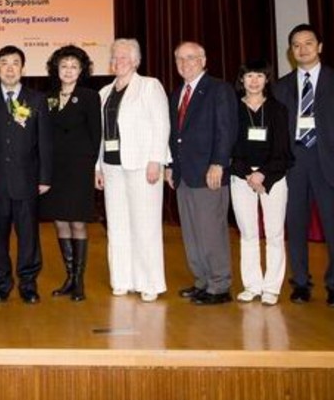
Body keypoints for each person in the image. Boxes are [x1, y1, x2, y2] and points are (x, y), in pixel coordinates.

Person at [274, 24, 334, 308]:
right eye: (296, 45)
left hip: (329, 164)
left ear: (319, 46)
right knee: (296, 228)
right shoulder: (281, 86)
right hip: (295, 164)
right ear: (291, 51)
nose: (302, 49)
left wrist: (330, 146)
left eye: (308, 43)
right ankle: (300, 284)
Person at [0, 45, 52, 304]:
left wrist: (44, 177)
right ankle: (0, 283)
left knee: (29, 236)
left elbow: (45, 142)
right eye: (4, 63)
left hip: (27, 181)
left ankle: (28, 284)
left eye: (15, 63)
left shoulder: (37, 99)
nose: (9, 68)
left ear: (23, 68)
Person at [95, 39, 170, 302]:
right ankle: (122, 279)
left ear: (136, 61)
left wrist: (156, 160)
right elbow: (100, 135)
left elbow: (162, 125)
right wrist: (97, 166)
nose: (118, 61)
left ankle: (149, 282)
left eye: (124, 57)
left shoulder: (150, 86)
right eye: (115, 57)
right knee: (116, 225)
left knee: (145, 225)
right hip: (112, 167)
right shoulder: (104, 92)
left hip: (142, 166)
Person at [165, 41, 237, 305]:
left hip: (209, 173)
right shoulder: (176, 95)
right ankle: (202, 281)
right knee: (192, 232)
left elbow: (226, 130)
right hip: (184, 174)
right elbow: (174, 136)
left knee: (211, 231)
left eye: (191, 58)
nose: (185, 64)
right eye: (179, 59)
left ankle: (220, 285)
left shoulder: (219, 89)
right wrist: (171, 166)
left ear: (204, 61)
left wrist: (219, 163)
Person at [39, 45, 101, 301]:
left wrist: (96, 166)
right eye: (64, 66)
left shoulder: (89, 96)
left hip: (79, 167)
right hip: (55, 168)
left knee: (77, 221)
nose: (68, 70)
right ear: (56, 69)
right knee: (60, 221)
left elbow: (97, 134)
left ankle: (79, 282)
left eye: (74, 66)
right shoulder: (47, 96)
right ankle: (68, 279)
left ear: (81, 70)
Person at [230, 59, 292, 306]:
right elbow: (230, 147)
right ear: (242, 80)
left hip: (273, 177)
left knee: (275, 233)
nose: (254, 81)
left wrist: (263, 174)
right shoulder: (233, 108)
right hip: (241, 176)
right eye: (249, 76)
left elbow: (283, 150)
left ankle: (271, 287)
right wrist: (248, 174)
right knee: (248, 233)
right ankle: (252, 285)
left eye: (259, 76)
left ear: (267, 80)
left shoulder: (278, 109)